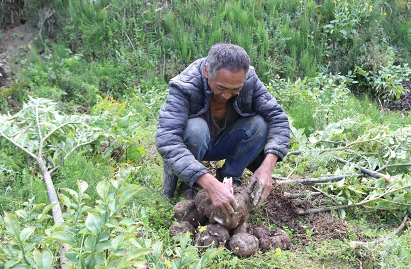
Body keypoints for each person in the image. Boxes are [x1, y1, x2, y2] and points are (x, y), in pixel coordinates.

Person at [156, 43, 290, 214]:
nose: (226, 95)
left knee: (260, 124)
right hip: (193, 145)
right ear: (207, 72)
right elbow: (167, 140)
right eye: (221, 87)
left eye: (235, 90)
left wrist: (267, 168)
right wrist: (208, 183)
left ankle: (230, 178)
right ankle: (189, 185)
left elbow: (278, 119)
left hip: (226, 142)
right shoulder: (185, 86)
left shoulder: (250, 80)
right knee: (195, 128)